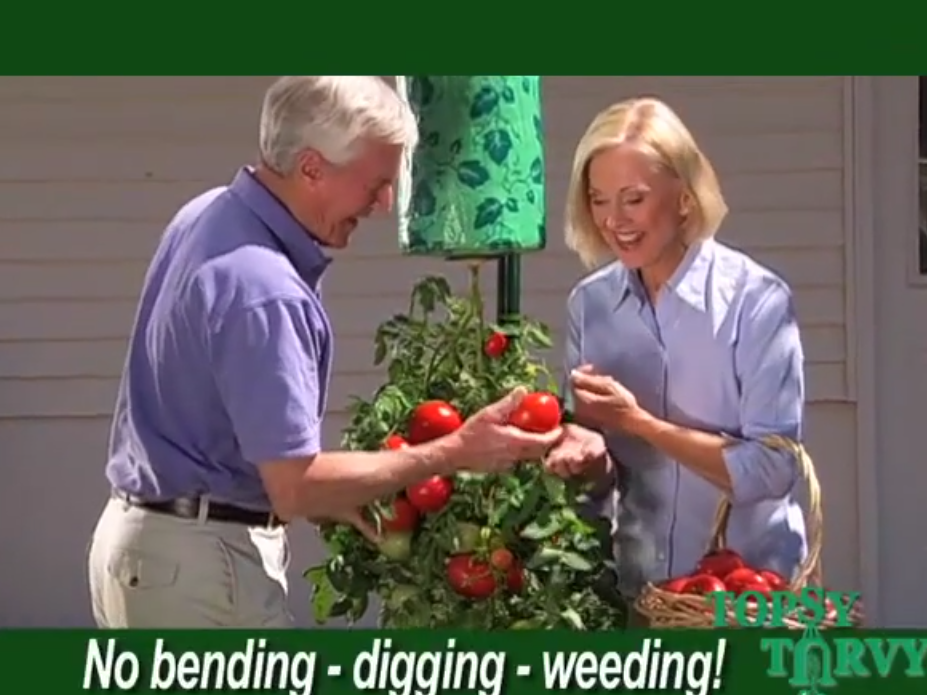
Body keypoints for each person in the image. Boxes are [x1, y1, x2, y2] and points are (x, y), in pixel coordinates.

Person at [88, 76, 562, 629]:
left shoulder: (208, 215)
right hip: (200, 566)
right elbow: (294, 487)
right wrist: (453, 451)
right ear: (312, 168)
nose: (384, 203)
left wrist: (348, 490)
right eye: (377, 182)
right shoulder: (264, 288)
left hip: (144, 548)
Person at [544, 97, 808, 602]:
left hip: (745, 597)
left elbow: (773, 471)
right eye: (599, 199)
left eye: (633, 198)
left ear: (685, 198)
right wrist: (586, 454)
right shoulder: (589, 305)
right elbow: (598, 475)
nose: (613, 219)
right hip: (634, 593)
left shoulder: (756, 302)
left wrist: (640, 422)